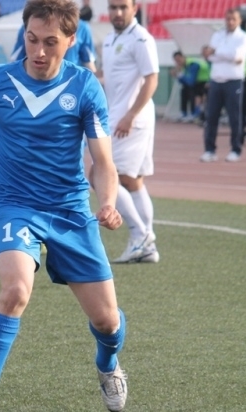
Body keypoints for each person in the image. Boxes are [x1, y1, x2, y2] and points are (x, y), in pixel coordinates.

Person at [0, 0, 127, 412]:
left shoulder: (85, 86)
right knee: (15, 291)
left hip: (70, 211)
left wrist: (108, 201)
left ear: (71, 41)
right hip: (15, 205)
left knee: (108, 322)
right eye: (31, 40)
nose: (38, 52)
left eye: (50, 43)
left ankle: (108, 364)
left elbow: (102, 161)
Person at [101, 0, 160, 264]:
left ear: (134, 9)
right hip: (120, 115)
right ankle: (147, 245)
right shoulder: (110, 39)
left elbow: (152, 79)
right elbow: (110, 76)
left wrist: (130, 115)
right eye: (113, 7)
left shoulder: (141, 38)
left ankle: (140, 235)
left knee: (102, 173)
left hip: (130, 119)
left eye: (123, 7)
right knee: (133, 181)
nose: (117, 12)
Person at [201, 8, 246, 163]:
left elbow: (237, 57)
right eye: (228, 19)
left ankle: (235, 149)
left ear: (239, 20)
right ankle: (210, 150)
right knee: (211, 117)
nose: (230, 22)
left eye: (233, 19)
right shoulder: (217, 35)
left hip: (233, 81)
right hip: (216, 81)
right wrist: (222, 54)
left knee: (235, 118)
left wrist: (216, 52)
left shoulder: (243, 38)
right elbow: (210, 56)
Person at [11, 15, 95, 71]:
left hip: (71, 85)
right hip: (37, 84)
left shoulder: (82, 28)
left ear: (71, 39)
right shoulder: (29, 27)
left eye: (51, 42)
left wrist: (93, 84)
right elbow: (16, 63)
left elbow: (88, 63)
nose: (40, 52)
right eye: (33, 40)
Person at [172, 50, 209, 123]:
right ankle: (184, 113)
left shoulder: (193, 64)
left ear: (183, 57)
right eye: (176, 61)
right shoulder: (184, 66)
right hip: (198, 83)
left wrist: (180, 75)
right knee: (184, 90)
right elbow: (184, 82)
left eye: (179, 60)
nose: (178, 62)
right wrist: (178, 76)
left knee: (193, 92)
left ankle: (195, 113)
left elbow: (191, 81)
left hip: (205, 82)